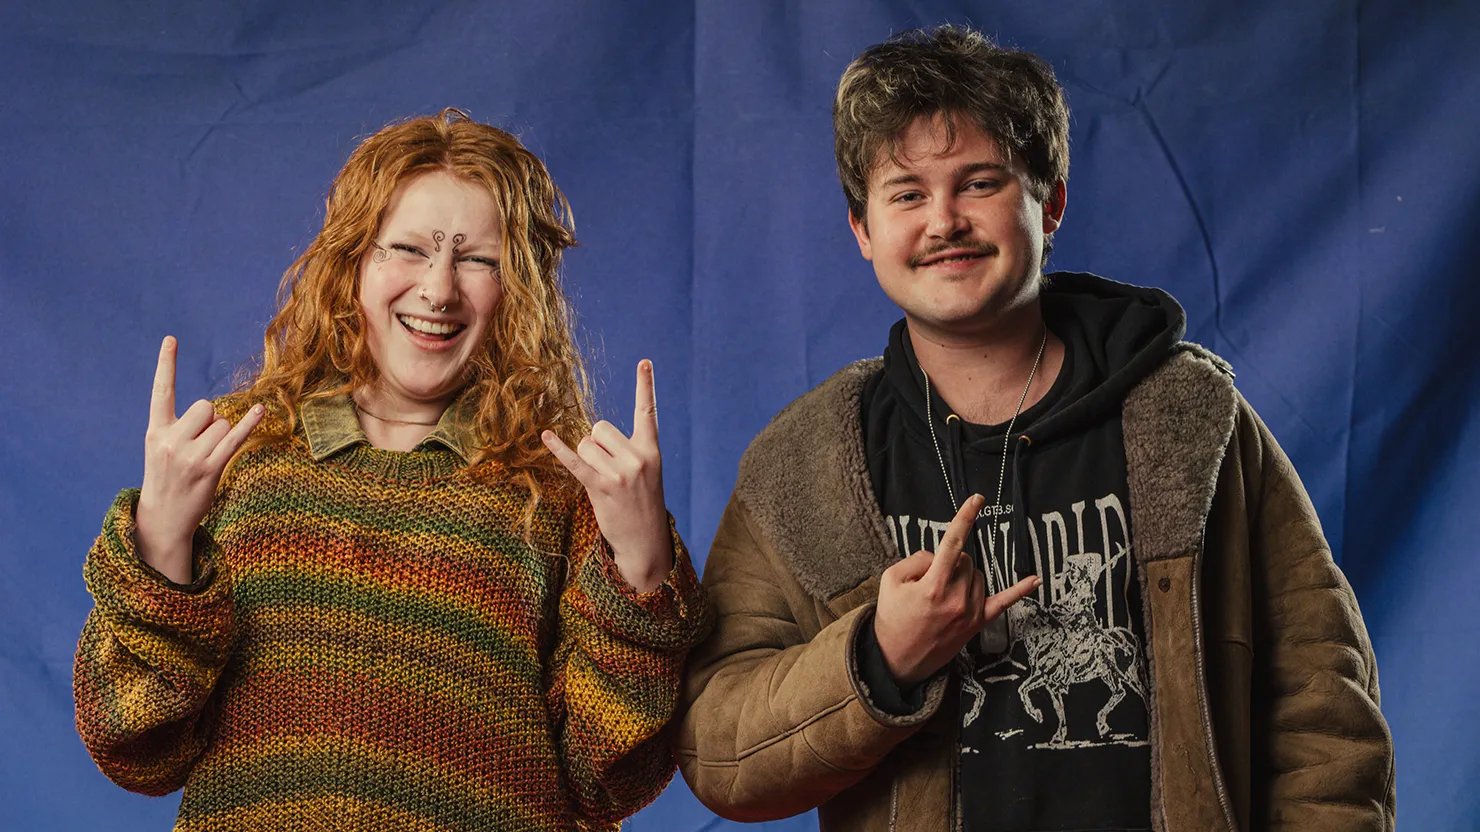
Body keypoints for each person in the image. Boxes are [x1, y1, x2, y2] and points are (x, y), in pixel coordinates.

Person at [677, 25, 1393, 831]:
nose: (944, 221)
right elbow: (717, 752)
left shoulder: (1190, 420)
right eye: (907, 194)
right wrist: (879, 659)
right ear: (863, 231)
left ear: (1049, 204)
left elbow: (1325, 710)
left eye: (979, 183)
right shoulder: (805, 464)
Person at [73, 108, 710, 832]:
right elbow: (134, 747)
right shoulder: (234, 457)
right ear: (352, 260)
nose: (439, 289)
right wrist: (160, 542)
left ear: (518, 289)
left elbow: (609, 781)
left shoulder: (564, 491)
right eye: (407, 248)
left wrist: (642, 568)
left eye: (479, 260)